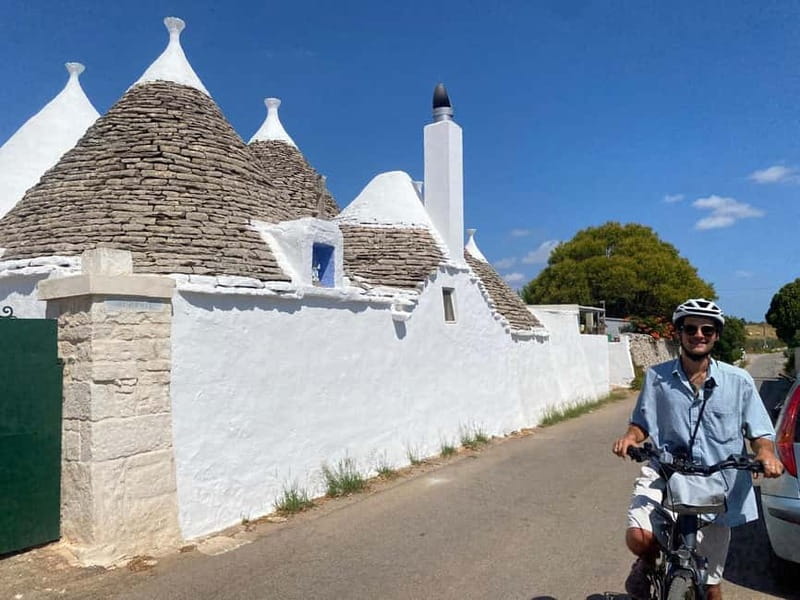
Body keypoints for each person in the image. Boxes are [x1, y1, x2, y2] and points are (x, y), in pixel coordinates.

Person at [612, 298, 784, 600]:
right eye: (690, 328)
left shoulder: (738, 380)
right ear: (679, 333)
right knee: (640, 537)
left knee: (711, 586)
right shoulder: (657, 378)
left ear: (716, 335)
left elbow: (759, 432)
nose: (699, 334)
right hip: (666, 472)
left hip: (719, 482)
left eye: (707, 329)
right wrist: (630, 437)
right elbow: (642, 422)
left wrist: (766, 454)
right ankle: (646, 564)